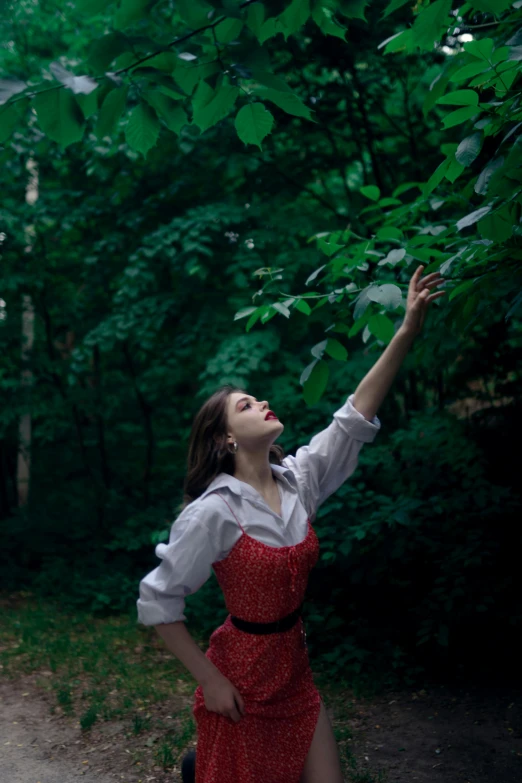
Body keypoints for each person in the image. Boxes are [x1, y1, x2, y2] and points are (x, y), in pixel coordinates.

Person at [136, 266, 445, 783]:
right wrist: (210, 681)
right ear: (224, 439)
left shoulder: (300, 480)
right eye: (245, 405)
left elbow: (353, 418)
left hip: (293, 670)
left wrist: (407, 329)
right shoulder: (213, 512)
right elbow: (158, 601)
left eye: (258, 398)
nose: (262, 403)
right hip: (240, 678)